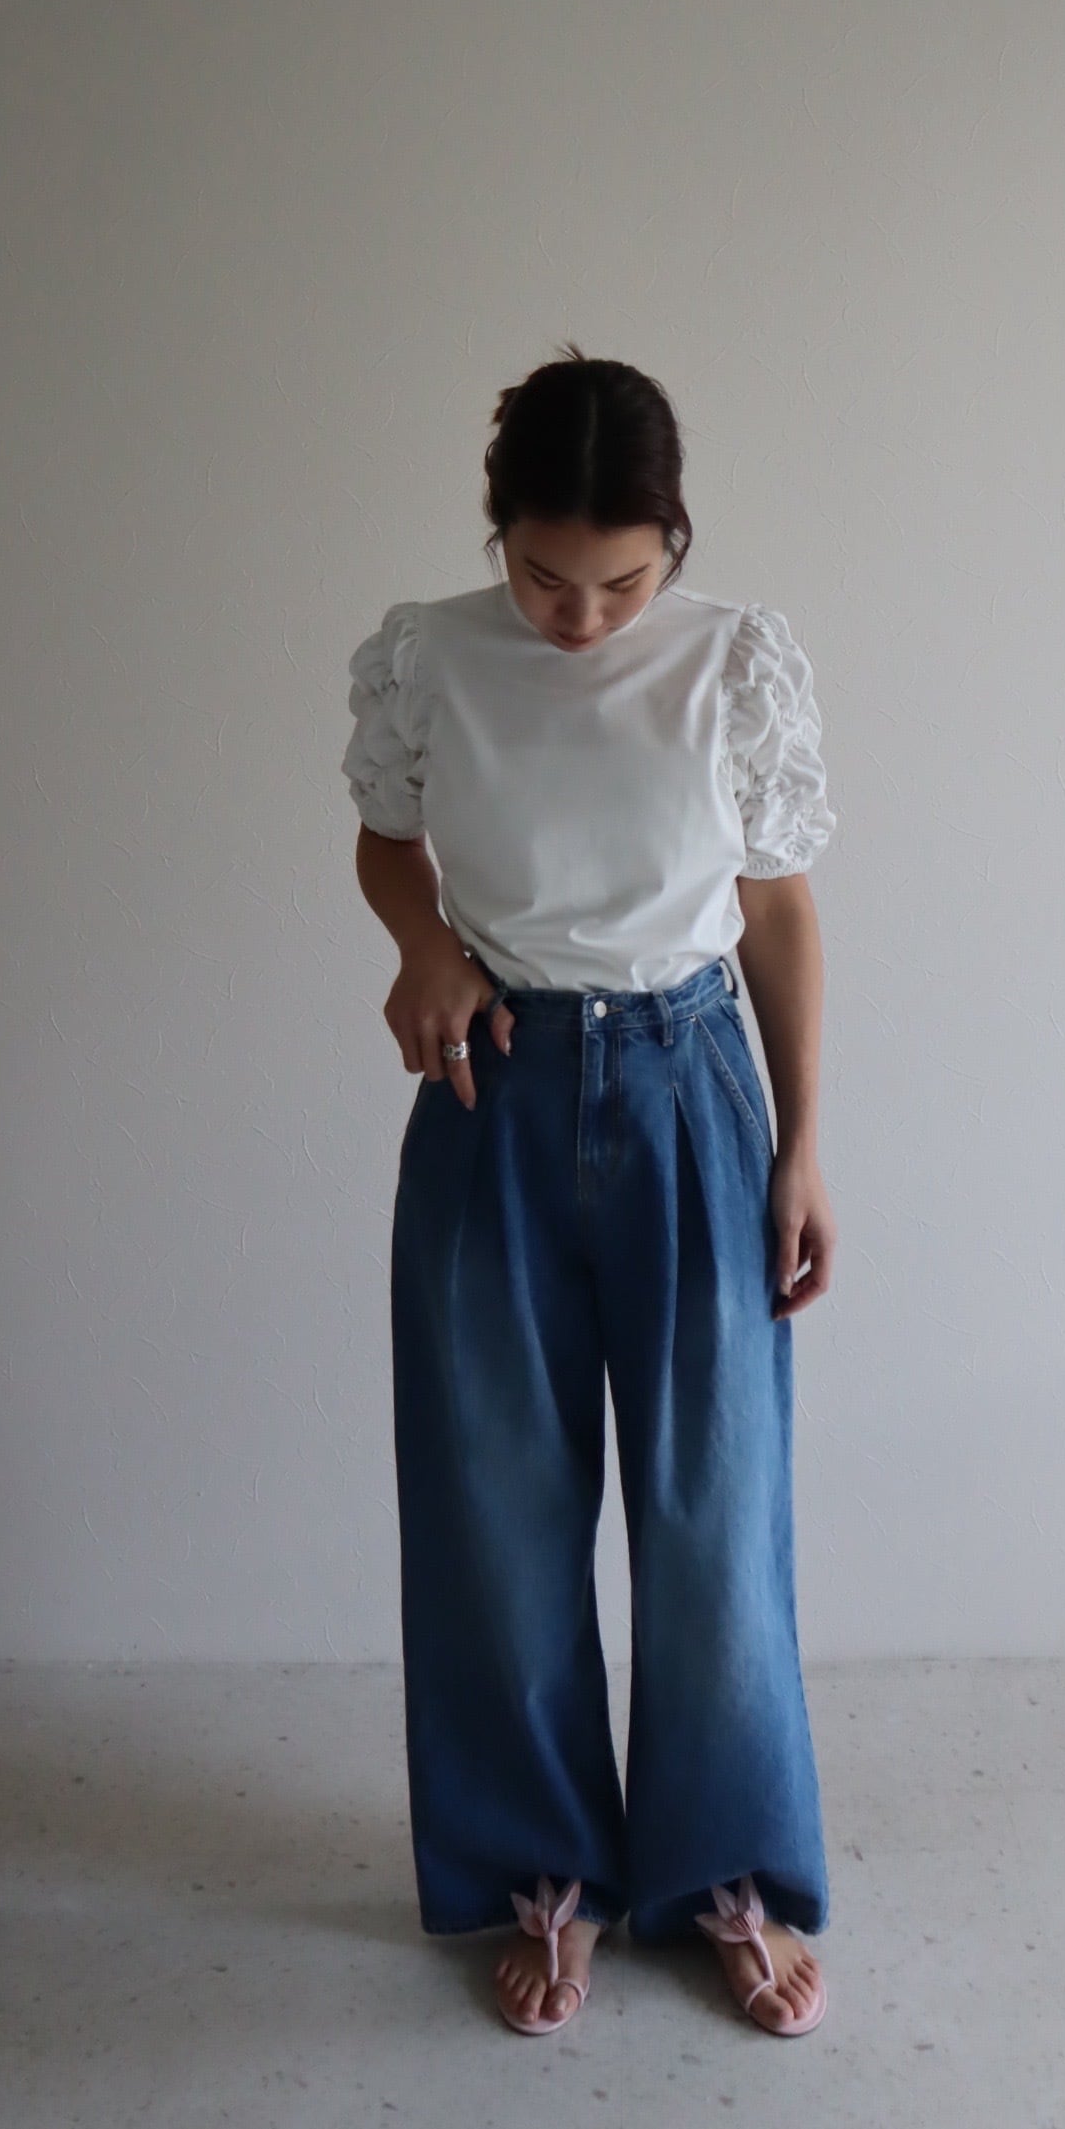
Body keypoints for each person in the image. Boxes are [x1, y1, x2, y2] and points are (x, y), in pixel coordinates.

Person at [341, 345, 837, 2039]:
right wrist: (420, 945)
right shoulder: (432, 656)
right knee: (496, 1503)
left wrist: (801, 1143)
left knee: (716, 1505)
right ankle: (540, 1870)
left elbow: (776, 909)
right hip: (495, 1089)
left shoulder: (733, 664)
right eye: (546, 576)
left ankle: (728, 1875)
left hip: (693, 1086)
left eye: (622, 581)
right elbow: (388, 838)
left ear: (673, 542)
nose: (580, 615)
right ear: (500, 534)